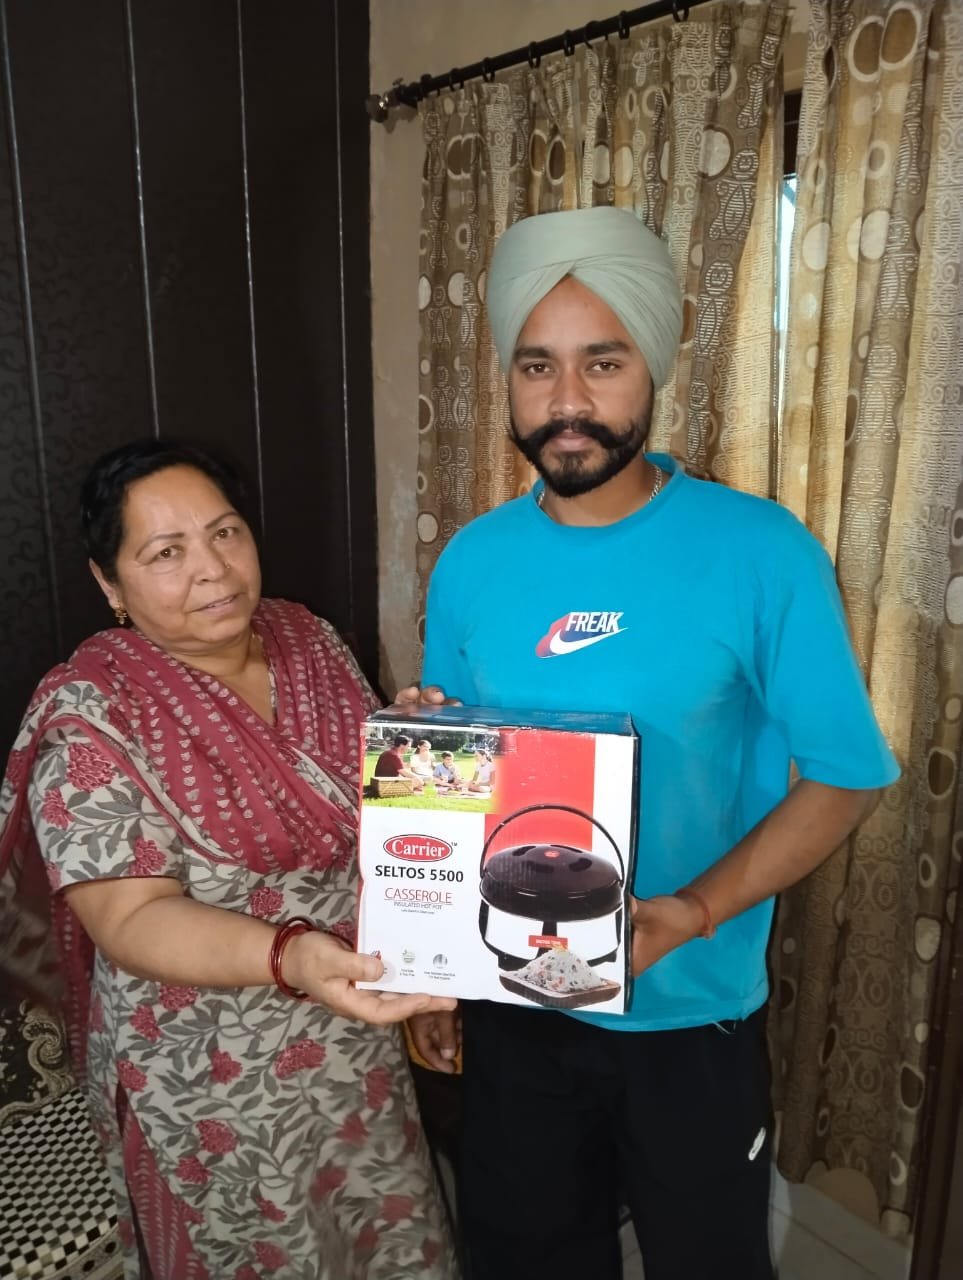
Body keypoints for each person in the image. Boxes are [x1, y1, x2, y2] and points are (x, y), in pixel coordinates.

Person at [409, 206, 900, 1280]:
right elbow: (459, 777)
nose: (568, 401)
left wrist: (691, 911)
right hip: (518, 1001)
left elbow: (845, 776)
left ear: (653, 369)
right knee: (527, 1259)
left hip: (690, 1012)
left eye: (603, 362)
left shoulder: (759, 550)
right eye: (536, 366)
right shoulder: (473, 562)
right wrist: (441, 962)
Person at [0, 440, 458, 1280]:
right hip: (206, 1072)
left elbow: (374, 823)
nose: (211, 569)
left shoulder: (306, 638)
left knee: (375, 1230)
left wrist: (418, 746)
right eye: (165, 553)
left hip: (351, 1027)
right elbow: (130, 917)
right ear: (110, 584)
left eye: (224, 532)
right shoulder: (92, 713)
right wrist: (294, 956)